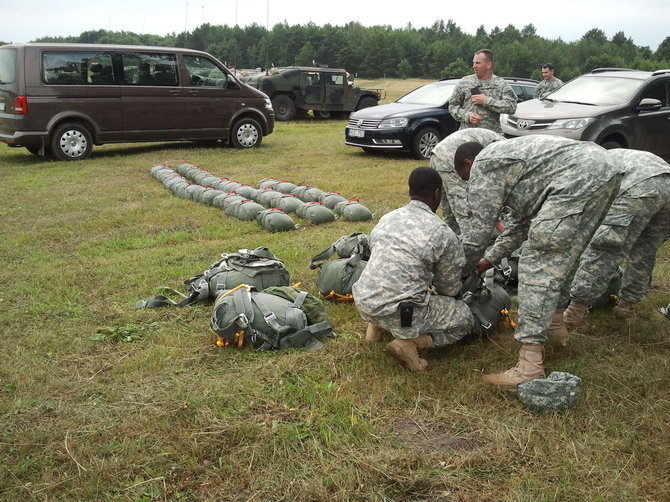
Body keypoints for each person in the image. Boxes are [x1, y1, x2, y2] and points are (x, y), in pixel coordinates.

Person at [454, 136, 623, 391]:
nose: (471, 184)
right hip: (605, 170)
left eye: (466, 178)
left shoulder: (484, 166)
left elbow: (477, 232)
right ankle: (556, 331)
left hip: (578, 177)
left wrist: (461, 269)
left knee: (537, 263)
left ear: (469, 164)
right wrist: (488, 260)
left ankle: (529, 367)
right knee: (563, 258)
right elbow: (518, 227)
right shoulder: (516, 167)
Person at [352, 167, 474, 372]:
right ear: (437, 194)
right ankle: (410, 344)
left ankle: (377, 328)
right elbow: (449, 289)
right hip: (401, 312)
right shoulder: (441, 232)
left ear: (410, 192)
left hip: (364, 300)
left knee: (393, 287)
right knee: (464, 317)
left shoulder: (387, 218)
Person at [564, 149, 670, 329]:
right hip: (666, 187)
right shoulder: (607, 154)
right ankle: (626, 307)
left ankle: (575, 312)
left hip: (639, 190)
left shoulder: (582, 164)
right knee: (645, 251)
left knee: (605, 249)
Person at [429, 128, 504, 235]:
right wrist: (500, 226)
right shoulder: (507, 152)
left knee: (451, 213)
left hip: (440, 153)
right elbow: (491, 191)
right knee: (463, 209)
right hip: (448, 156)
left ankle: (449, 240)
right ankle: (468, 245)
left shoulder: (505, 149)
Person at [448, 49, 517, 134]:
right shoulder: (465, 82)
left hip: (491, 136)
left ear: (488, 65)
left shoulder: (500, 84)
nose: (474, 66)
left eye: (478, 63)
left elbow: (512, 107)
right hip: (467, 135)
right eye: (473, 63)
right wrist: (467, 116)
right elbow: (452, 106)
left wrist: (486, 101)